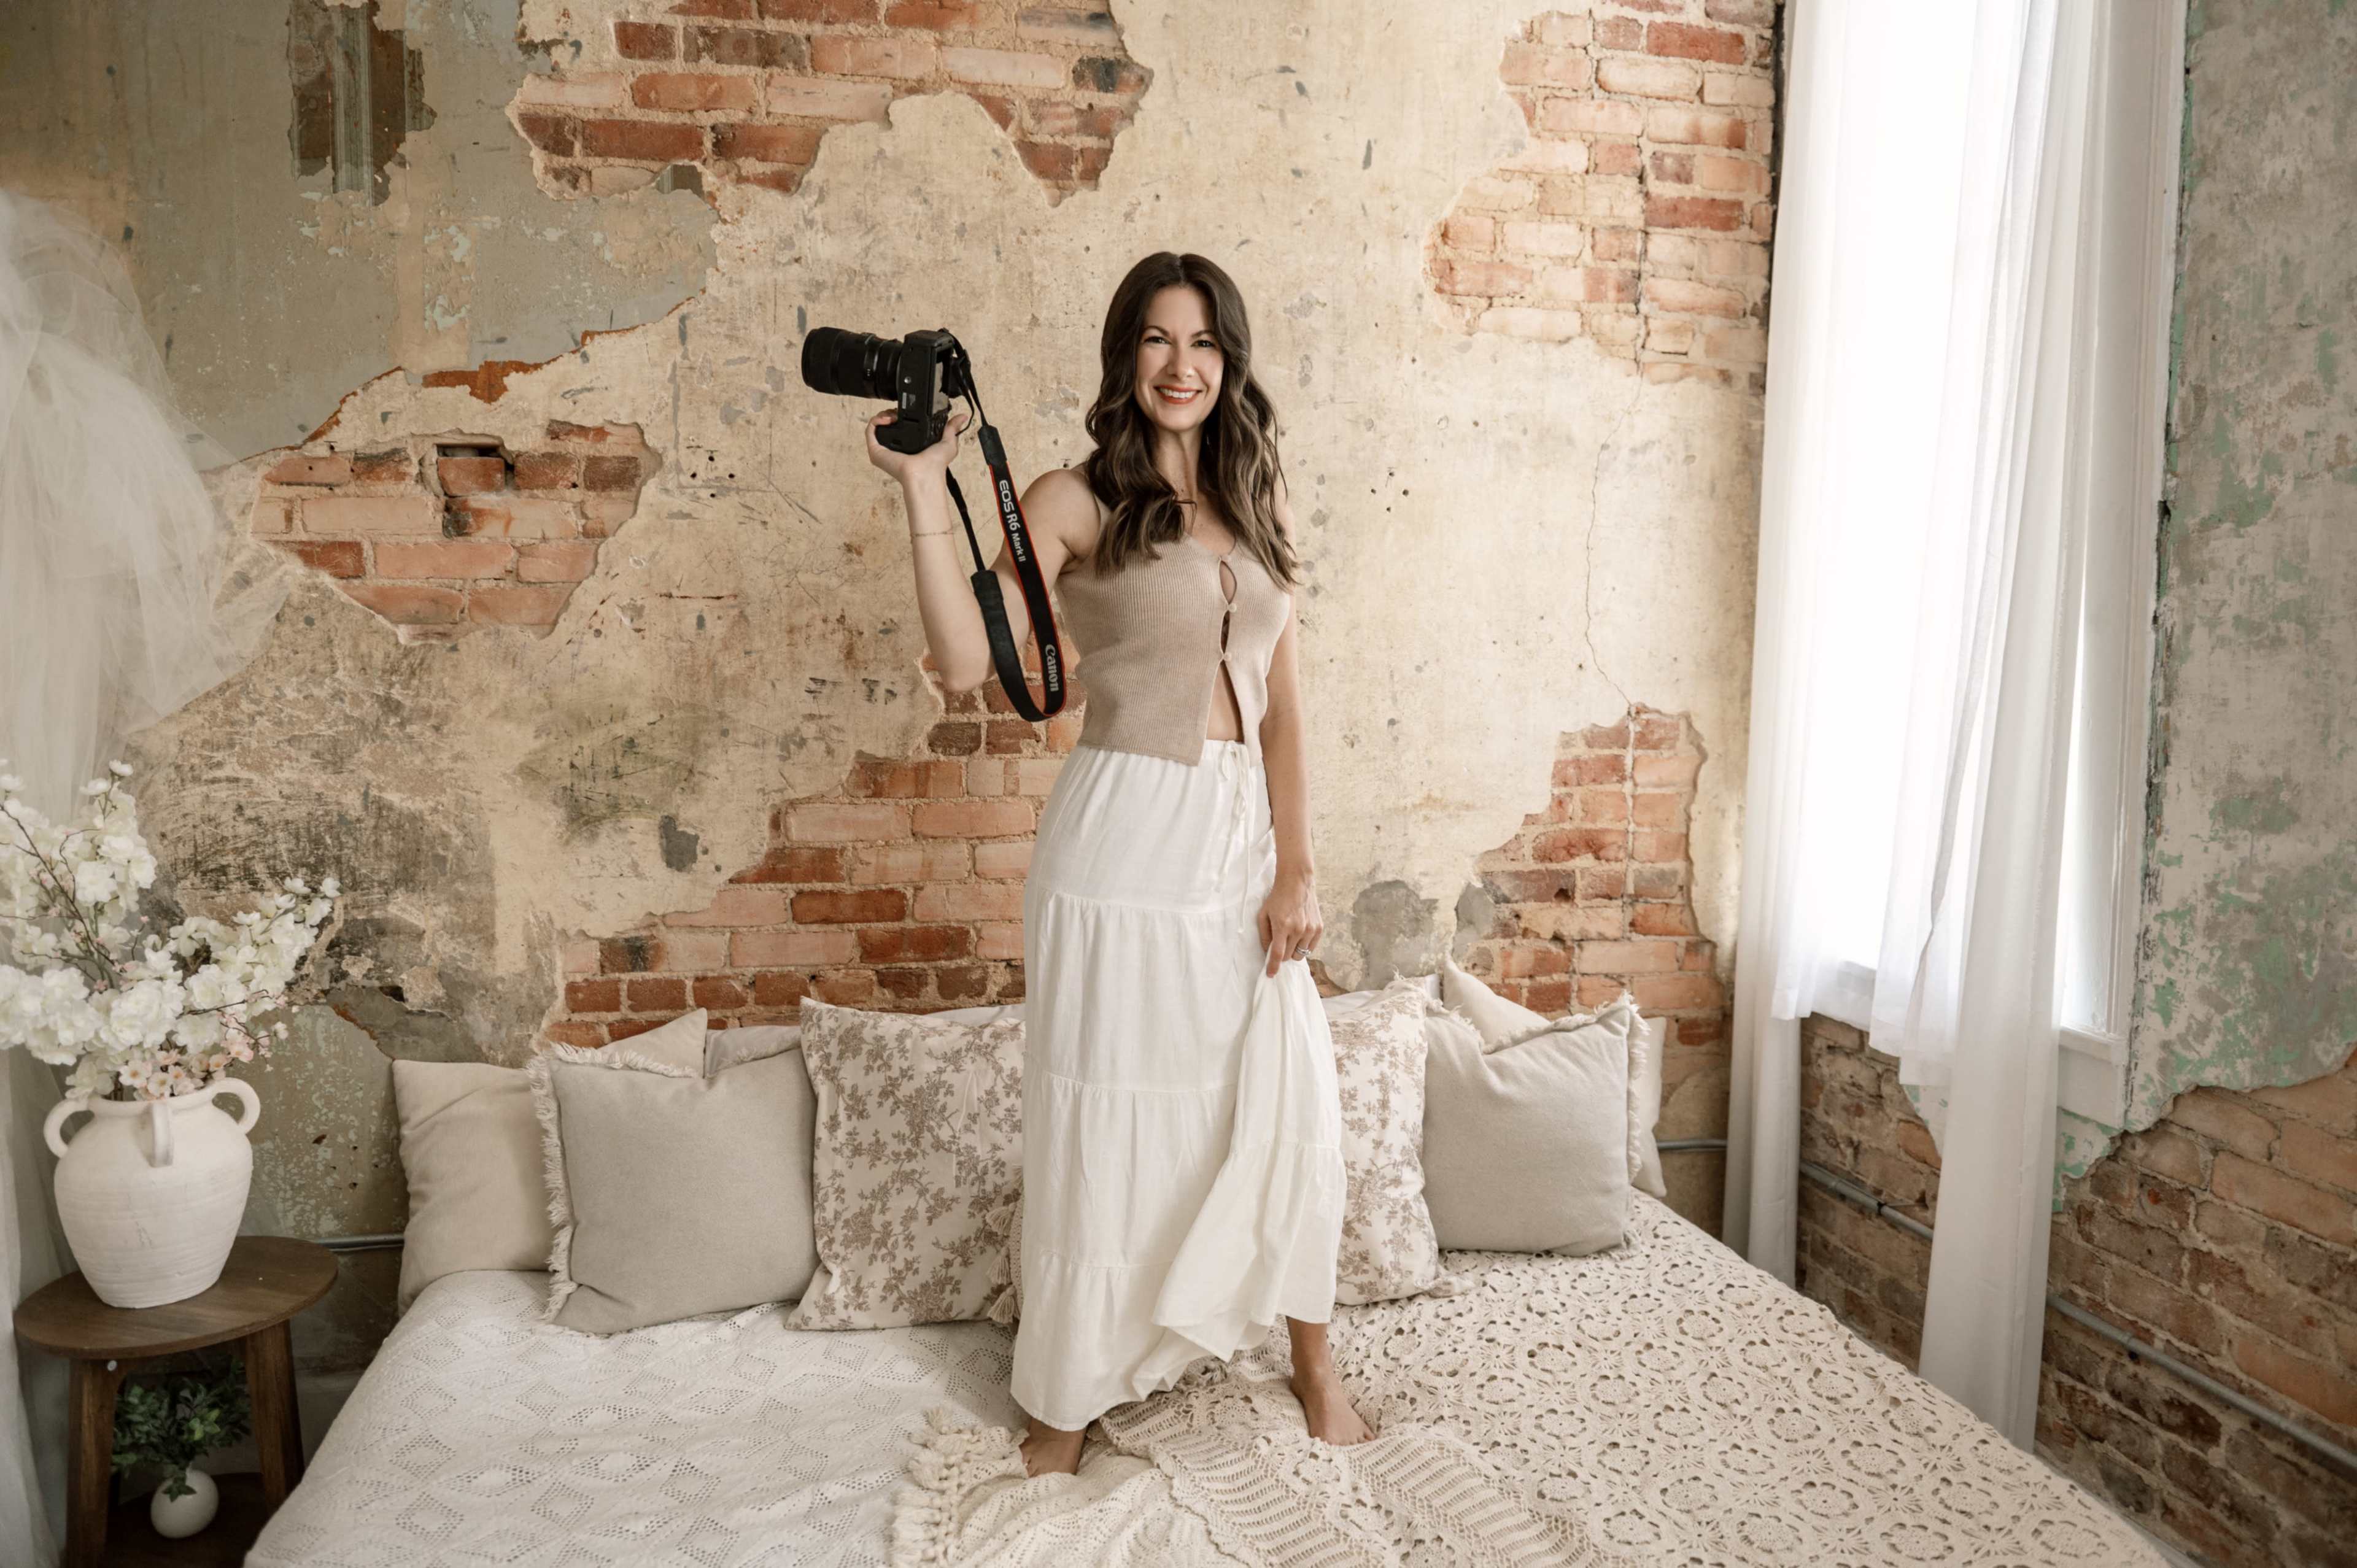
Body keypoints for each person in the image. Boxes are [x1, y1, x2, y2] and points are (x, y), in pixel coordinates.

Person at [865, 251, 1371, 1478]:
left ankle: (1313, 1364)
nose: (1180, 366)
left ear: (1228, 358)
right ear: (1125, 356)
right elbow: (969, 657)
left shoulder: (1264, 500)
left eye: (1201, 343)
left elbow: (1288, 708)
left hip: (1239, 834)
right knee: (1106, 1113)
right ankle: (1066, 1401)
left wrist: (1297, 868)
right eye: (1154, 340)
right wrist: (925, 489)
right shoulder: (1075, 499)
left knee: (1283, 1091)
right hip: (1121, 843)